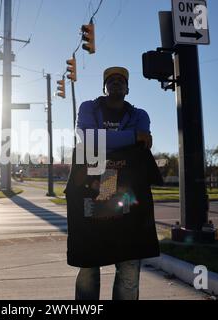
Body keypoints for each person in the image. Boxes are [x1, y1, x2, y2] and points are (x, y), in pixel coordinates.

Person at [65, 67, 162, 300]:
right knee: (88, 263)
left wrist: (104, 141)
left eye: (121, 80)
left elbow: (140, 145)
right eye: (111, 80)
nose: (116, 82)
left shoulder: (140, 115)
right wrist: (129, 138)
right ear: (104, 87)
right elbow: (88, 138)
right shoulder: (88, 107)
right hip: (90, 187)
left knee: (129, 262)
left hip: (127, 190)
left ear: (128, 89)